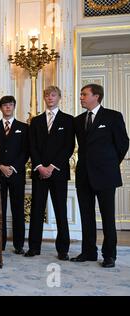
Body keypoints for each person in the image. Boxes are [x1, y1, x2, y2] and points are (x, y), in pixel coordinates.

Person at [71, 84, 129, 268]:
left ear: (96, 96)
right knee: (86, 216)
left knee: (107, 217)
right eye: (81, 94)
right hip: (83, 175)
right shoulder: (78, 120)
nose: (81, 97)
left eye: (84, 94)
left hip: (105, 175)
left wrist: (109, 164)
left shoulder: (113, 116)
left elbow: (122, 144)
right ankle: (88, 252)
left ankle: (109, 255)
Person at [26, 86, 74, 261]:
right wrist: (40, 167)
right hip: (39, 172)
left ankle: (63, 250)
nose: (50, 98)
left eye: (53, 95)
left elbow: (68, 147)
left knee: (61, 211)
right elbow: (32, 146)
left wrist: (52, 167)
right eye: (47, 95)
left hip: (58, 173)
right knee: (36, 211)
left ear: (59, 97)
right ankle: (34, 247)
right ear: (44, 98)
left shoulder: (69, 120)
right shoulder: (36, 121)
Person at [0, 96, 28, 254]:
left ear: (14, 107)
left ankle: (19, 245)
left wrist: (12, 167)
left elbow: (26, 151)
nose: (8, 107)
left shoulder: (24, 127)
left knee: (18, 210)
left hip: (16, 174)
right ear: (1, 108)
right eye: (5, 105)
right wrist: (0, 167)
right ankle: (0, 243)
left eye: (10, 105)